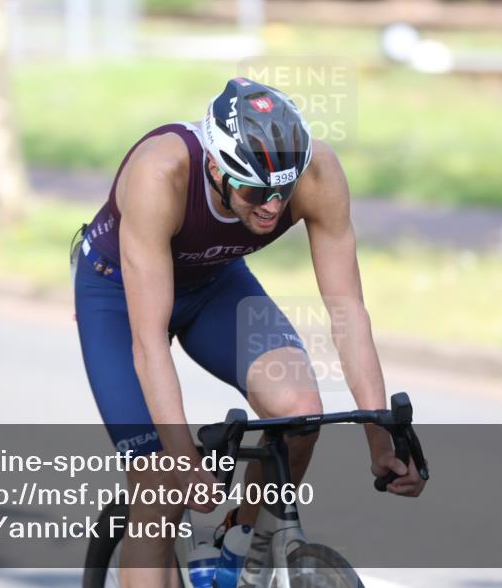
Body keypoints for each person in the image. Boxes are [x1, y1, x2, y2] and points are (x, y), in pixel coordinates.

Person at [73, 77, 424, 586]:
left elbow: (347, 309)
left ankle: (241, 546)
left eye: (282, 191)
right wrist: (184, 460)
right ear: (216, 166)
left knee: (299, 413)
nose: (272, 207)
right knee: (161, 484)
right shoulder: (160, 174)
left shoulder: (316, 173)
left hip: (215, 284)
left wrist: (380, 438)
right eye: (256, 191)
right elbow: (149, 343)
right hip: (117, 294)